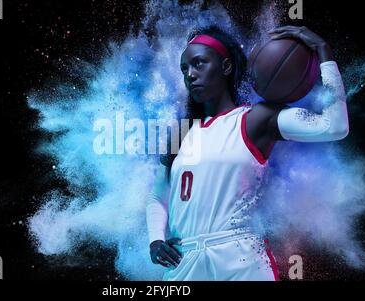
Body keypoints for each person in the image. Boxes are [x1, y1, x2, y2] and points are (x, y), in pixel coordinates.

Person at [145, 25, 349, 281]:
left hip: (240, 259)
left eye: (199, 64)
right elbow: (157, 197)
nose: (190, 75)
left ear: (226, 67)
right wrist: (155, 240)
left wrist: (323, 53)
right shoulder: (181, 133)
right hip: (184, 260)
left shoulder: (255, 119)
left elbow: (334, 126)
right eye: (185, 69)